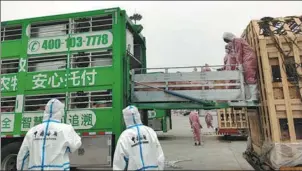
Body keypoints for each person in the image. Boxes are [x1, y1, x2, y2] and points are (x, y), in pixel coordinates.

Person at [17, 98, 82, 170]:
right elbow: (76, 144)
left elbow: (23, 156)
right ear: (61, 112)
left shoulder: (32, 131)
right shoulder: (66, 129)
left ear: (45, 112)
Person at [113, 105, 165, 170]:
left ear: (125, 119)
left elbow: (119, 161)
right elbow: (159, 154)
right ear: (139, 116)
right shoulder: (150, 131)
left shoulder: (124, 136)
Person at [222, 32, 258, 102]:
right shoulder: (237, 40)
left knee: (250, 77)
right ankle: (250, 97)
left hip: (248, 59)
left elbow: (239, 53)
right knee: (247, 78)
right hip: (247, 59)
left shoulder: (236, 40)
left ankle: (254, 97)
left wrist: (239, 64)